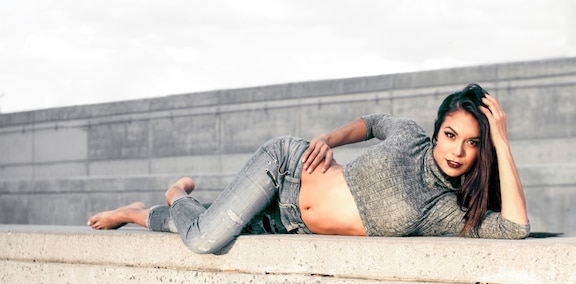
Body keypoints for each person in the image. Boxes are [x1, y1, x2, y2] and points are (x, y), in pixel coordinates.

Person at [87, 83, 530, 254]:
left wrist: (502, 142)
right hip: (287, 169)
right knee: (205, 238)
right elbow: (374, 122)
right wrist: (328, 139)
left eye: (474, 143)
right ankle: (175, 194)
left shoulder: (445, 211)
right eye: (451, 135)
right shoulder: (410, 137)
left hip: (293, 225)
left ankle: (133, 213)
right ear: (437, 132)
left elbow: (514, 229)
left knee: (204, 225)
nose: (458, 150)